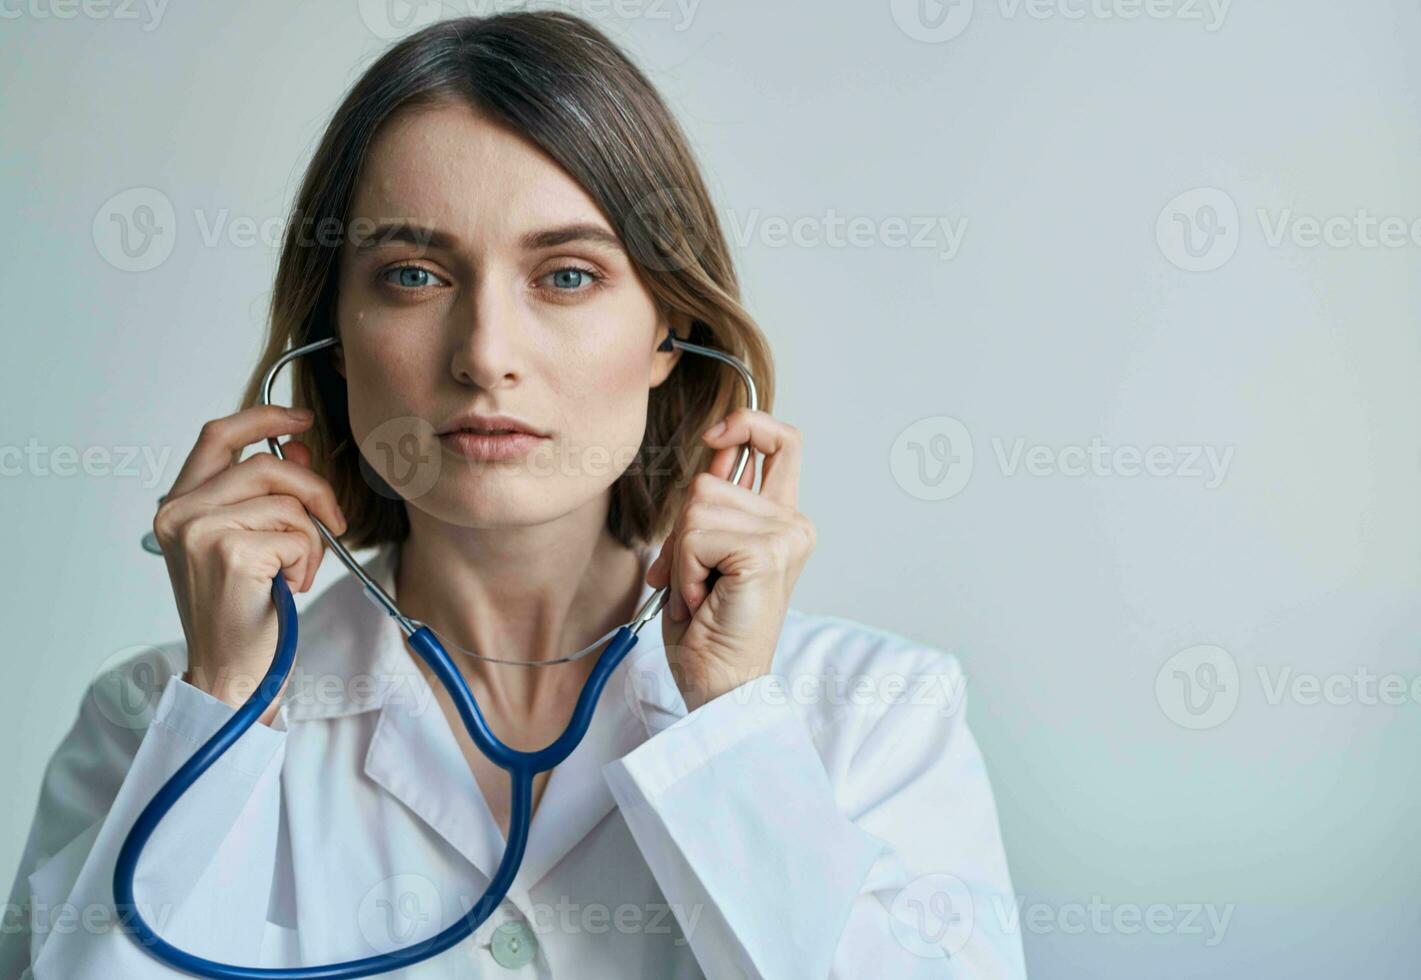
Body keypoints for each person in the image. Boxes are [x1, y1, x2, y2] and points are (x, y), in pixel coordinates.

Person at [1, 12, 1025, 979]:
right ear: (334, 336)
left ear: (666, 330)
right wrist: (224, 706)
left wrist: (728, 721)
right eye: (411, 275)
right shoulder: (150, 721)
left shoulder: (874, 710)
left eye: (567, 275)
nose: (486, 354)